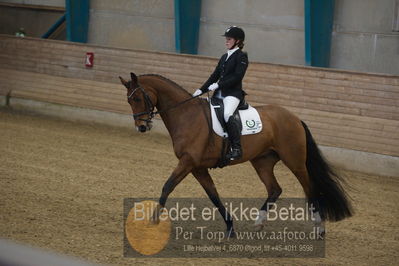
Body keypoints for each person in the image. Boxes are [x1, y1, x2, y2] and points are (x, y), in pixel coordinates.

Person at [193, 26, 248, 160]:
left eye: (229, 39)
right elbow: (214, 75)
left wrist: (219, 84)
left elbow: (237, 76)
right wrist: (201, 90)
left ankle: (236, 148)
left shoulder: (241, 56)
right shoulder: (224, 56)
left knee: (227, 114)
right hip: (218, 94)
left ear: (238, 41)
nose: (226, 41)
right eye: (226, 39)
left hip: (232, 94)